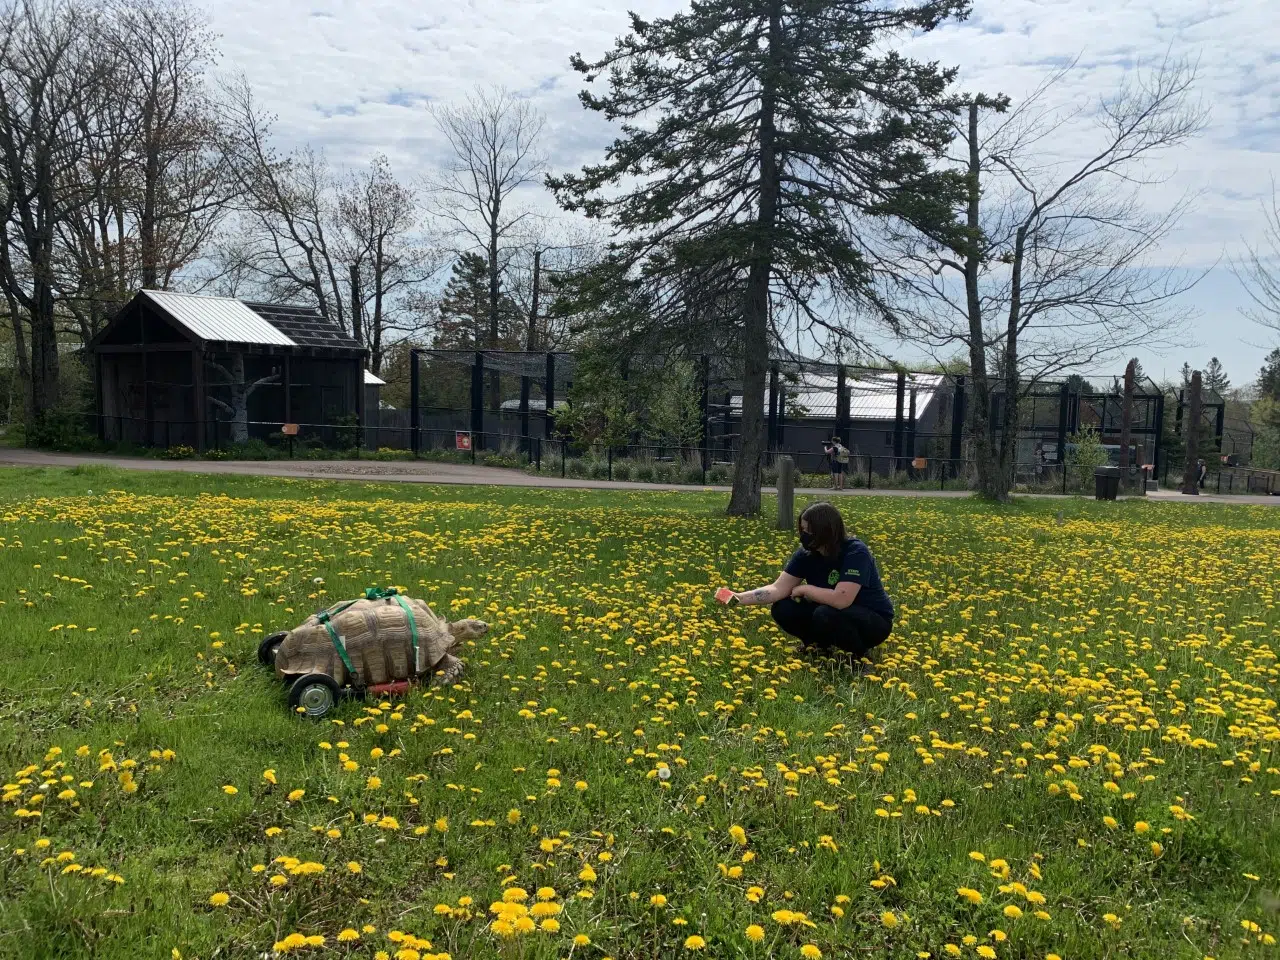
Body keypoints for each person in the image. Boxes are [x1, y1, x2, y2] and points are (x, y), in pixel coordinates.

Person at [718, 502, 893, 658]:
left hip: (873, 620)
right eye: (802, 530)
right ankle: (817, 646)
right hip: (832, 611)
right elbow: (778, 589)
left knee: (825, 613)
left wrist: (806, 589)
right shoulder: (806, 553)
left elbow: (842, 599)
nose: (804, 535)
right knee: (783, 607)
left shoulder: (855, 552)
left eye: (809, 531)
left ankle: (858, 656)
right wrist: (737, 599)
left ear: (826, 531)